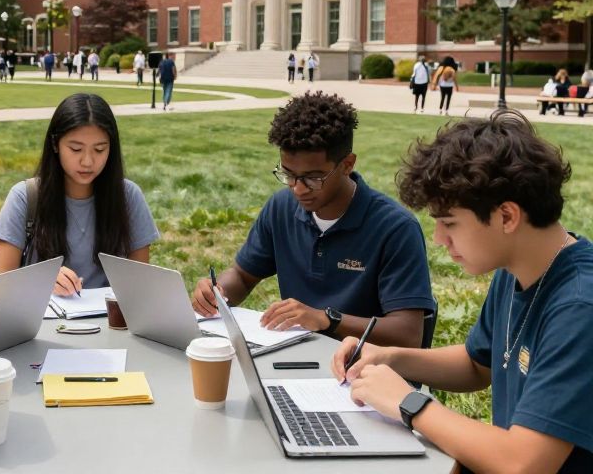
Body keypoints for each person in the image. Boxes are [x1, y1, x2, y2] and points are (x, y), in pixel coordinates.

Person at [332, 110, 592, 474]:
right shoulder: (517, 267)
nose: (439, 239)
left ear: (507, 217)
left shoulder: (580, 306)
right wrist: (389, 357)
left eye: (449, 223)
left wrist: (409, 403)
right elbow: (476, 364)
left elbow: (524, 463)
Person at [190, 92, 434, 348]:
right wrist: (217, 293)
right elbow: (242, 276)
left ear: (347, 164)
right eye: (289, 174)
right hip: (297, 356)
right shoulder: (280, 208)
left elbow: (408, 334)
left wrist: (327, 320)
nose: (298, 189)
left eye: (313, 177)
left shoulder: (395, 228)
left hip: (367, 369)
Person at [0, 93, 159, 295]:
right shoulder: (25, 197)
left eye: (99, 149)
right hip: (42, 322)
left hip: (109, 322)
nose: (87, 161)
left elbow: (141, 287)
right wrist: (41, 281)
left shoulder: (128, 197)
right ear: (55, 145)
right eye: (76, 149)